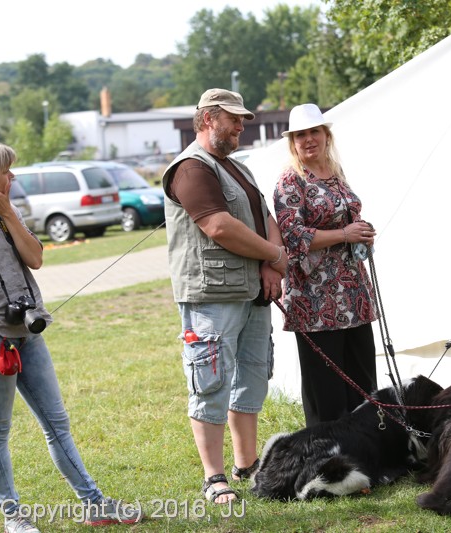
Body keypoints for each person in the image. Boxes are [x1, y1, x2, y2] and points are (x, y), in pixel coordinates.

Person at [0, 142, 142, 532]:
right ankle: (13, 517)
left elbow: (36, 258)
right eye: (6, 172)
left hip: (28, 332)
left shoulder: (8, 214)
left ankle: (95, 504)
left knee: (57, 423)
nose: (13, 177)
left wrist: (7, 213)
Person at [162, 89, 286, 504]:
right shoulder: (191, 168)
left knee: (252, 375)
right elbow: (218, 226)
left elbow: (264, 217)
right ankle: (214, 478)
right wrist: (275, 255)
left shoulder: (237, 167)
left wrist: (270, 264)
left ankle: (247, 465)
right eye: (233, 119)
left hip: (251, 290)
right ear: (208, 119)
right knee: (210, 383)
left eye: (242, 121)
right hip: (211, 294)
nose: (240, 128)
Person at [273, 103, 378, 427]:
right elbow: (293, 236)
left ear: (326, 135)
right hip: (315, 300)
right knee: (327, 388)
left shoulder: (335, 172)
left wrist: (361, 232)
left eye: (314, 132)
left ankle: (366, 445)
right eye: (300, 135)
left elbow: (346, 218)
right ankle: (327, 448)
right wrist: (345, 234)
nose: (308, 139)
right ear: (292, 142)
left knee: (362, 381)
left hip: (353, 293)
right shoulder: (291, 181)